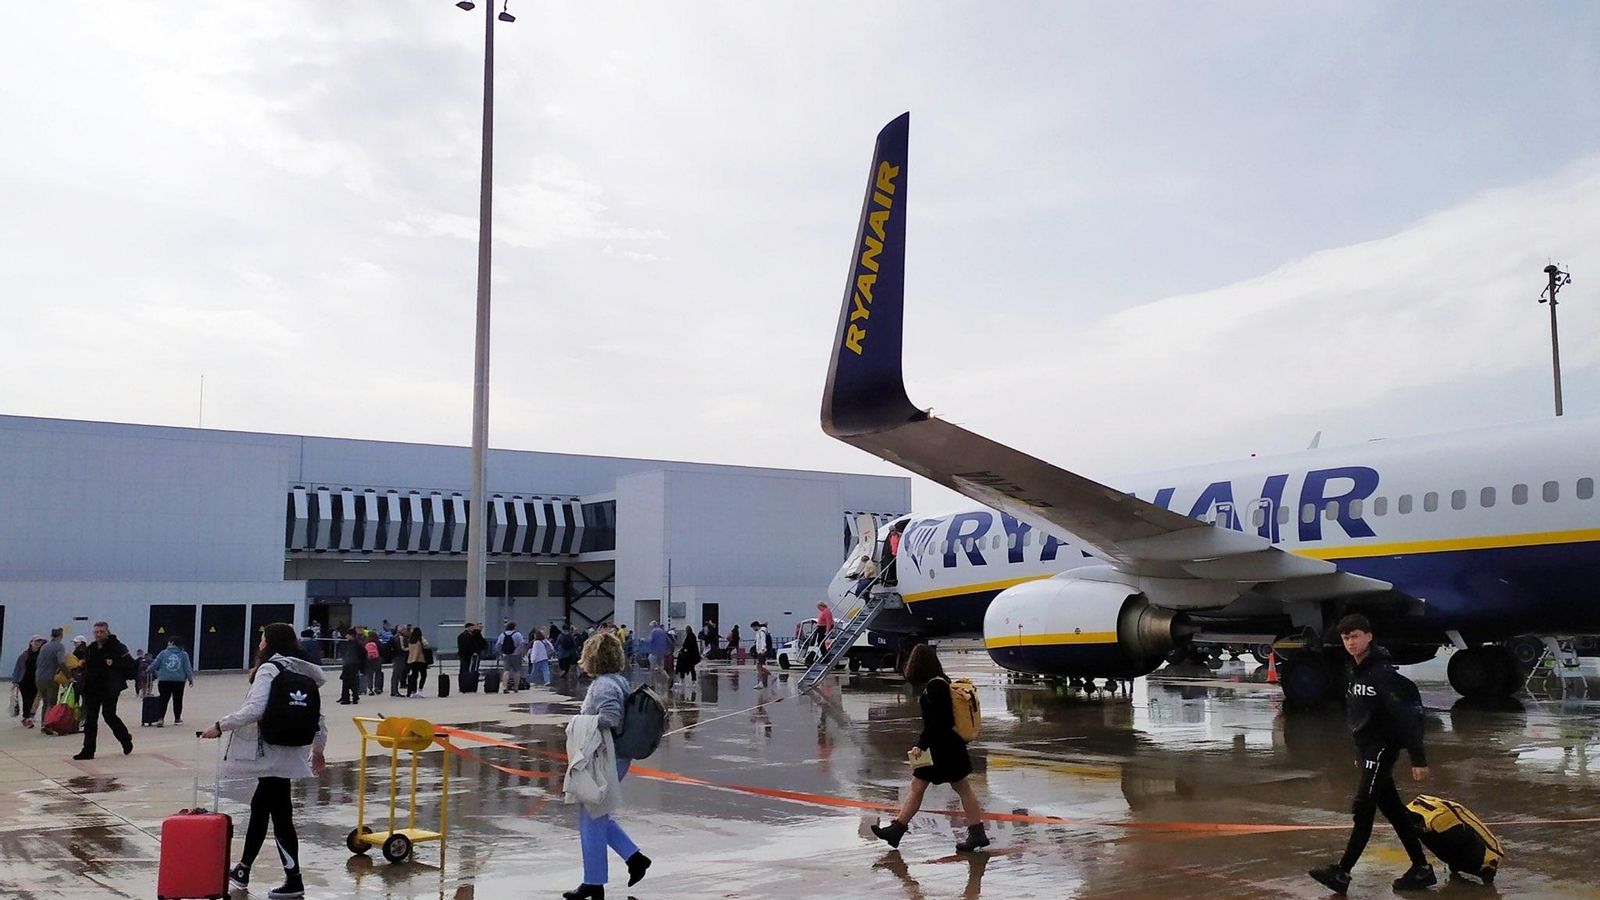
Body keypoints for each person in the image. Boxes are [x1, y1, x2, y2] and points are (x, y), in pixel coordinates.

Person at [1309, 614, 1434, 894]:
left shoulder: (1382, 675)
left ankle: (1342, 872)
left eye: (1355, 636)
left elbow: (1405, 717)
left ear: (1368, 636)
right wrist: (1359, 750)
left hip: (1382, 750)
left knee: (1363, 808)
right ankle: (1422, 868)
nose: (1350, 643)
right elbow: (1360, 717)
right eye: (1345, 638)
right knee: (1394, 811)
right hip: (1368, 750)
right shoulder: (1355, 672)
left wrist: (1418, 758)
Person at [204, 622, 326, 900]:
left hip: (270, 752)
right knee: (261, 807)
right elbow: (319, 717)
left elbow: (255, 709)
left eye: (262, 639)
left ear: (270, 642)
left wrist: (221, 726)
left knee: (281, 817)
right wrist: (318, 749)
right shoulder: (302, 670)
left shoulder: (270, 669)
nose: (259, 643)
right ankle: (244, 869)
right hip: (291, 750)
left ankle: (294, 880)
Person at [869, 644, 990, 852]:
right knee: (929, 786)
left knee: (954, 787)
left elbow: (938, 722)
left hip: (943, 748)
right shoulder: (939, 682)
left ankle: (976, 833)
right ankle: (897, 830)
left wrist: (920, 745)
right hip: (947, 747)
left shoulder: (936, 686)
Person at [562, 632, 651, 900]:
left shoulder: (602, 686)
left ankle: (594, 881)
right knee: (596, 813)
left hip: (607, 755)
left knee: (591, 813)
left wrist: (581, 721)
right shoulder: (617, 681)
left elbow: (612, 718)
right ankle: (633, 858)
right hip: (614, 754)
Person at [74, 621, 137, 761]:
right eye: (96, 632)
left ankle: (125, 739)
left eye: (101, 631)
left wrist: (114, 663)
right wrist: (82, 666)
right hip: (91, 688)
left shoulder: (118, 647)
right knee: (90, 719)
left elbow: (131, 665)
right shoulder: (91, 648)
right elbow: (88, 666)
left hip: (110, 688)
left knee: (109, 715)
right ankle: (88, 751)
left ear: (107, 632)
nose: (99, 634)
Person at [151, 636, 196, 726]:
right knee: (178, 700)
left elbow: (155, 664)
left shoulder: (163, 653)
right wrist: (190, 679)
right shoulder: (184, 654)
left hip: (164, 680)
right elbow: (187, 667)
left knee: (163, 699)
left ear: (171, 642)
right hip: (179, 681)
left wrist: (149, 670)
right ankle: (177, 719)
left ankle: (160, 719)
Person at [35, 629, 68, 722]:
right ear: (61, 635)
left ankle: (43, 723)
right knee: (52, 703)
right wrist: (68, 675)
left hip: (39, 678)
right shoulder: (60, 646)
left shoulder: (44, 646)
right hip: (50, 678)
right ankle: (48, 724)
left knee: (45, 703)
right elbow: (61, 662)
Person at [11, 636, 44, 729]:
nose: (38, 643)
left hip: (36, 680)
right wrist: (15, 681)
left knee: (33, 699)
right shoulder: (24, 655)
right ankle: (26, 717)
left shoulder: (42, 654)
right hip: (24, 681)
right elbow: (18, 668)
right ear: (31, 642)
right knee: (27, 699)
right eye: (36, 641)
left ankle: (28, 716)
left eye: (39, 641)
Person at [338, 628, 365, 705]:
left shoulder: (356, 644)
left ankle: (350, 698)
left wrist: (358, 662)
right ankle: (347, 697)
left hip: (352, 666)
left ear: (351, 635)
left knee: (350, 682)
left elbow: (362, 653)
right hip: (348, 665)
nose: (346, 636)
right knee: (347, 682)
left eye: (347, 635)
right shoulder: (351, 643)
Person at [497, 622, 526, 693]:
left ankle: (505, 687)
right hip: (516, 655)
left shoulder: (502, 634)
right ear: (514, 627)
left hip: (506, 655)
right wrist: (520, 652)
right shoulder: (517, 634)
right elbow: (522, 644)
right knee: (516, 671)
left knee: (506, 671)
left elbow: (498, 645)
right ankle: (515, 687)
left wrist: (501, 654)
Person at [457, 622, 487, 690]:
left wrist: (478, 633)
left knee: (473, 670)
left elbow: (482, 643)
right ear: (468, 628)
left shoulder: (476, 635)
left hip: (472, 655)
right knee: (464, 669)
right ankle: (463, 685)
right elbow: (467, 645)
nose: (473, 629)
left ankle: (471, 683)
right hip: (466, 655)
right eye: (472, 627)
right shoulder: (462, 636)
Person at [406, 628, 431, 698]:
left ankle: (413, 691)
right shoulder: (420, 640)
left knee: (414, 676)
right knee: (423, 675)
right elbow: (427, 645)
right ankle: (420, 690)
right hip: (420, 660)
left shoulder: (410, 641)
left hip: (412, 661)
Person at [388, 625, 409, 697]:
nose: (406, 631)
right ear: (402, 630)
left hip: (396, 657)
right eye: (405, 630)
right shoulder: (400, 637)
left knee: (395, 675)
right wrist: (409, 649)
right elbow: (401, 648)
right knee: (396, 675)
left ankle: (393, 691)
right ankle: (394, 691)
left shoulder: (395, 637)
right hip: (399, 657)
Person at [363, 630, 383, 695]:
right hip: (377, 659)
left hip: (368, 660)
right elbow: (381, 650)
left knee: (369, 675)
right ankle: (377, 688)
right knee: (378, 674)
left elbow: (363, 651)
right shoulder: (378, 642)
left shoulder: (366, 642)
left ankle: (370, 689)